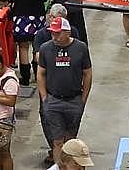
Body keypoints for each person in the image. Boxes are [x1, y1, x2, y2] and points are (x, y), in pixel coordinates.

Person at [38, 16, 92, 166]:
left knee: (70, 142)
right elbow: (41, 73)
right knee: (57, 141)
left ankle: (70, 166)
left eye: (57, 33)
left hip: (74, 100)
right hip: (53, 101)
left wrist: (83, 98)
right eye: (52, 33)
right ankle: (58, 167)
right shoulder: (45, 49)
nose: (54, 36)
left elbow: (87, 73)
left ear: (67, 32)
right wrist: (44, 98)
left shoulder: (81, 48)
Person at [8, 0, 48, 86]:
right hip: (38, 18)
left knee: (23, 47)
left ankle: (25, 77)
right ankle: (38, 74)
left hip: (21, 18)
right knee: (37, 47)